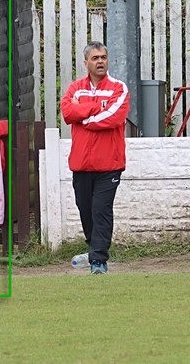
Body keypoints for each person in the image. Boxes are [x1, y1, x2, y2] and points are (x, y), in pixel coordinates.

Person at [60, 41, 129, 275]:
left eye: (104, 57)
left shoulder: (119, 88)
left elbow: (114, 117)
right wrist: (92, 109)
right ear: (86, 62)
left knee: (101, 209)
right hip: (81, 164)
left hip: (109, 164)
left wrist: (84, 115)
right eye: (96, 58)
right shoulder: (75, 88)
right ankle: (93, 249)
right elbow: (68, 112)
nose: (100, 61)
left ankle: (99, 260)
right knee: (85, 209)